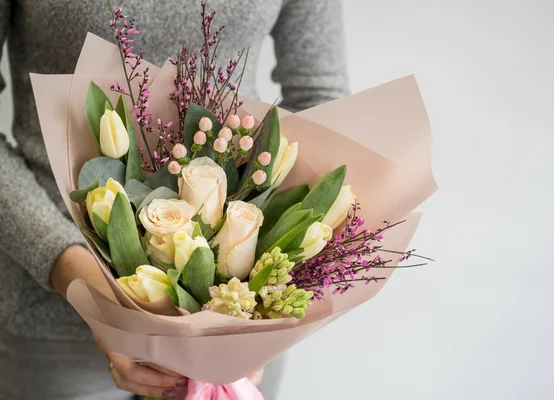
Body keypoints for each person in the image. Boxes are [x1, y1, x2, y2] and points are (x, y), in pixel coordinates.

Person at [0, 0, 349, 399]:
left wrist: (262, 312)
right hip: (54, 313)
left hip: (239, 311)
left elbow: (322, 98)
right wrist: (85, 284)